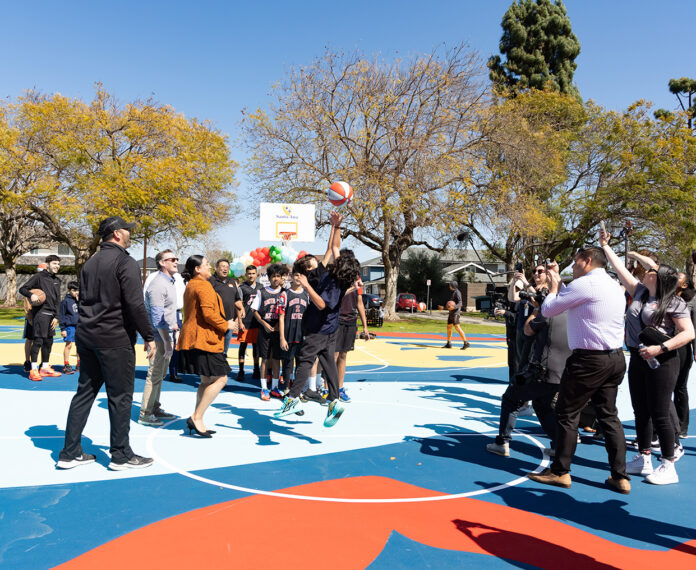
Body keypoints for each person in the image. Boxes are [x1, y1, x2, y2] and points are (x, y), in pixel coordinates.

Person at [527, 244, 631, 494]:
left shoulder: (585, 284)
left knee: (566, 413)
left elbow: (550, 309)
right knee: (608, 416)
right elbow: (571, 300)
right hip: (614, 358)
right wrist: (558, 282)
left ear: (586, 260)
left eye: (574, 262)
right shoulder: (613, 285)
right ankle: (620, 476)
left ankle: (560, 471)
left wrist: (553, 287)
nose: (572, 266)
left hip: (588, 360)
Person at [57, 216, 156, 470]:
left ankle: (69, 452)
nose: (129, 233)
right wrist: (149, 335)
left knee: (85, 392)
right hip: (114, 339)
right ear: (116, 234)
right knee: (121, 396)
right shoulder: (125, 262)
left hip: (87, 336)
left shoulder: (90, 263)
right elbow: (135, 304)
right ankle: (121, 454)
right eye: (127, 229)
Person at [601, 232, 694, 485]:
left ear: (659, 278)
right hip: (638, 357)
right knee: (640, 409)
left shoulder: (673, 302)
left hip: (662, 361)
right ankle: (643, 458)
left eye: (651, 271)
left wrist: (660, 348)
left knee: (660, 411)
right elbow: (621, 271)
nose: (646, 271)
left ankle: (668, 464)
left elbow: (688, 333)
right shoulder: (641, 292)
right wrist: (605, 246)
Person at [275, 212, 360, 427]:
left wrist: (305, 286)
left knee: (304, 360)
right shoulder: (330, 272)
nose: (317, 258)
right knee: (328, 362)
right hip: (330, 329)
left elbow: (321, 304)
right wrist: (335, 226)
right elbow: (333, 248)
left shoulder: (329, 281)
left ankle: (293, 399)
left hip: (319, 328)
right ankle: (334, 400)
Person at [487, 264, 570, 457]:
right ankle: (559, 446)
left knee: (510, 398)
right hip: (560, 372)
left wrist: (536, 310)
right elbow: (514, 298)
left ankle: (502, 442)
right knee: (543, 406)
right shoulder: (568, 312)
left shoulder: (547, 314)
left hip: (541, 369)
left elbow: (528, 329)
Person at [177, 255, 238, 437]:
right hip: (204, 340)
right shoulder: (202, 285)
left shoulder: (192, 285)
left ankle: (198, 418)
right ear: (197, 269)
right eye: (206, 264)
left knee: (206, 380)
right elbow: (209, 314)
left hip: (196, 338)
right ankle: (196, 417)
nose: (209, 266)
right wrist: (226, 324)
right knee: (221, 379)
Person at [138, 249, 180, 427]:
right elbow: (157, 319)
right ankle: (145, 414)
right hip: (158, 337)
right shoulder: (158, 284)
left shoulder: (170, 282)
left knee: (160, 374)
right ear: (162, 263)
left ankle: (154, 407)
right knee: (154, 375)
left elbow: (167, 312)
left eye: (176, 259)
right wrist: (167, 343)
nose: (176, 261)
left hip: (165, 335)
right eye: (172, 259)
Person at [19, 255, 63, 381]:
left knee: (49, 341)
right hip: (41, 313)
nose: (57, 266)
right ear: (47, 264)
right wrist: (31, 295)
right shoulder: (39, 277)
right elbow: (22, 289)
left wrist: (57, 316)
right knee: (38, 341)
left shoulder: (57, 280)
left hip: (52, 315)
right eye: (54, 264)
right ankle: (33, 369)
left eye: (58, 264)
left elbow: (57, 300)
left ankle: (44, 367)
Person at [251, 263, 286, 399]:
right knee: (265, 358)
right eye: (273, 276)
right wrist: (264, 323)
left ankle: (275, 387)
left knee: (277, 358)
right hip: (265, 328)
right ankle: (264, 388)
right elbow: (254, 310)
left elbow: (285, 312)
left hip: (278, 329)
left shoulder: (284, 292)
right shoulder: (261, 292)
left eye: (278, 276)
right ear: (269, 277)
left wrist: (278, 324)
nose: (275, 279)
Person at [334, 269, 370, 403]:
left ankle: (340, 387)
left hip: (351, 321)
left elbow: (359, 303)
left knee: (343, 355)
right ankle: (328, 388)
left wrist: (365, 326)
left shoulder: (357, 280)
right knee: (334, 355)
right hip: (337, 320)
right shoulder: (337, 276)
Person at [279, 269, 310, 396]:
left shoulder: (307, 294)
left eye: (301, 275)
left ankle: (297, 389)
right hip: (288, 334)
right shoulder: (285, 294)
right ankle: (286, 388)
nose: (298, 277)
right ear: (291, 276)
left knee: (300, 364)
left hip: (302, 334)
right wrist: (282, 337)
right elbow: (281, 317)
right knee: (287, 362)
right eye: (296, 274)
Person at [209, 258, 242, 363]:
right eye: (223, 266)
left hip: (230, 321)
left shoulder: (231, 281)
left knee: (224, 350)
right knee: (213, 349)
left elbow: (237, 299)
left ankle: (221, 368)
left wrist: (241, 310)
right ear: (216, 268)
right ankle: (212, 371)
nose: (225, 269)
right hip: (215, 322)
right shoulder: (210, 281)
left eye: (227, 267)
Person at [236, 265, 262, 381]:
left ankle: (256, 369)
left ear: (257, 274)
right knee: (243, 346)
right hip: (245, 322)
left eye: (253, 273)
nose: (251, 275)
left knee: (256, 347)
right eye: (249, 273)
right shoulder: (242, 287)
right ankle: (241, 370)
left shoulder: (261, 287)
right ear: (246, 275)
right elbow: (238, 305)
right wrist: (240, 321)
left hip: (257, 322)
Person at [58, 281, 80, 375]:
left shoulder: (79, 300)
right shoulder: (65, 301)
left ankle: (79, 364)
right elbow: (61, 315)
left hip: (79, 326)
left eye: (78, 290)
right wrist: (62, 329)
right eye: (74, 290)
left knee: (80, 346)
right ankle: (66, 364)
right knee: (69, 345)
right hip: (69, 326)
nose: (76, 292)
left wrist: (79, 301)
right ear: (69, 290)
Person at [442, 281, 470, 350]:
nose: (449, 286)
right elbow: (451, 304)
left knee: (457, 327)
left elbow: (460, 303)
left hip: (456, 313)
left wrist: (454, 308)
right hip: (451, 313)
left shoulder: (457, 292)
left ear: (453, 286)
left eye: (450, 285)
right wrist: (444, 308)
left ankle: (466, 343)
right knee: (449, 327)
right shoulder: (453, 292)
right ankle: (449, 343)